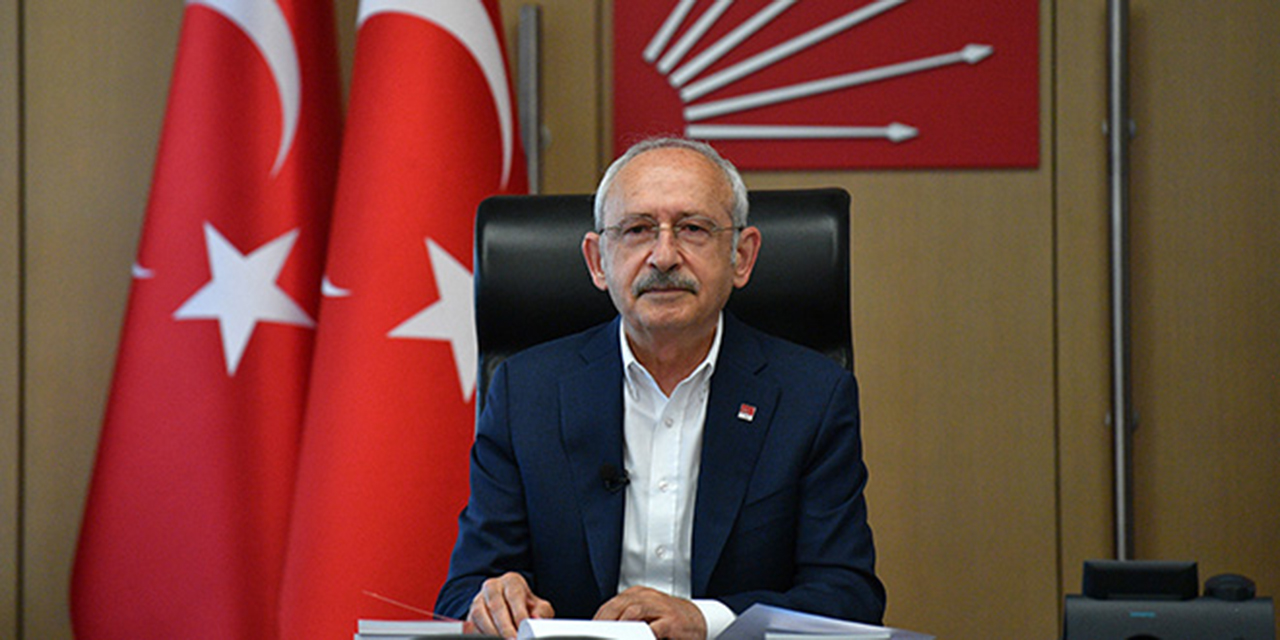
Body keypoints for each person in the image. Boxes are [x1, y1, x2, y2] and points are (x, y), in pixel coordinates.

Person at [435, 137, 885, 640]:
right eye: (637, 230)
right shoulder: (527, 392)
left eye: (693, 228)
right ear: (598, 261)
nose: (664, 256)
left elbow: (849, 599)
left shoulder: (812, 397)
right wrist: (493, 600)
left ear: (741, 256)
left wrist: (706, 620)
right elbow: (460, 594)